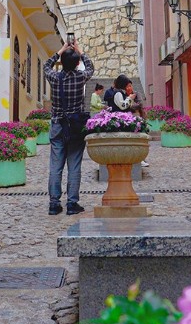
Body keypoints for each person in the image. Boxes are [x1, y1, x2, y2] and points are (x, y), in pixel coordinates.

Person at [43, 40, 95, 215]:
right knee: (74, 166)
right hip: (75, 127)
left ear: (61, 62)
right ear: (77, 63)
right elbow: (91, 67)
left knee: (55, 166)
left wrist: (61, 50)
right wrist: (80, 51)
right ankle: (72, 204)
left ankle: (54, 204)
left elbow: (46, 65)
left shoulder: (54, 77)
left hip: (58, 125)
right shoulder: (80, 77)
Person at [103, 75, 149, 167]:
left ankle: (138, 158)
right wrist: (130, 98)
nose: (129, 87)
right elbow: (123, 106)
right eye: (127, 85)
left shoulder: (120, 93)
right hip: (120, 120)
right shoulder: (118, 93)